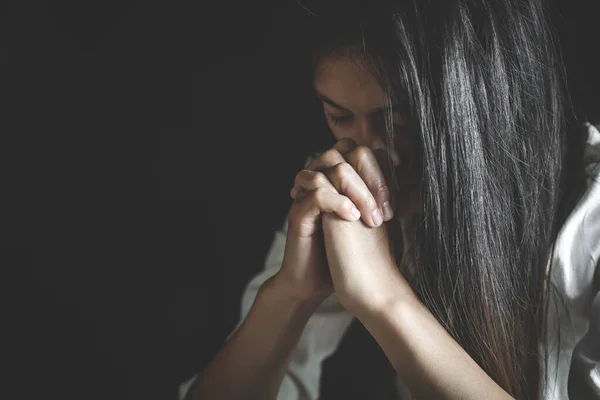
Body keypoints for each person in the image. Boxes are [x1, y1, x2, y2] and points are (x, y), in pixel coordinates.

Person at [182, 0, 600, 398]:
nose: (376, 153)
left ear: (484, 101)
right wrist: (292, 293)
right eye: (340, 116)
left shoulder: (591, 218)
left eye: (402, 120)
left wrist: (385, 299)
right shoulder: (344, 186)